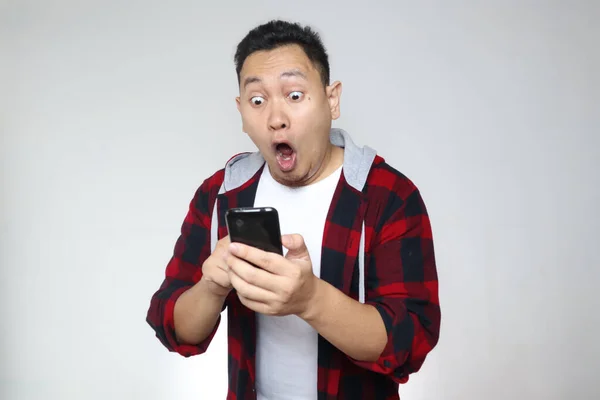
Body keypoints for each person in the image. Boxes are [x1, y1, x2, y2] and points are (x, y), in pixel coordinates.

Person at [146, 19, 441, 400]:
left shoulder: (388, 195)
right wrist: (211, 286)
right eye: (257, 100)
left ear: (332, 99)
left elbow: (411, 340)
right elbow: (173, 326)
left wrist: (311, 299)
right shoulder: (221, 195)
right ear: (240, 111)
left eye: (295, 95)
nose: (275, 118)